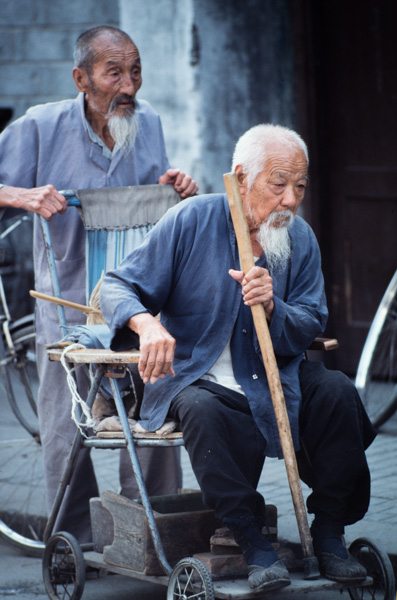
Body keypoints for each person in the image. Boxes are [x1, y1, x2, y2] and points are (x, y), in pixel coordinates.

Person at [99, 124, 376, 593]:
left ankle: (329, 533)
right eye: (279, 183)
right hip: (198, 376)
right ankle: (251, 542)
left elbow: (311, 319)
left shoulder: (300, 238)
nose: (291, 199)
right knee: (202, 411)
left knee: (337, 392)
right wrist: (147, 325)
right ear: (242, 177)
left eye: (301, 186)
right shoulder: (191, 220)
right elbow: (117, 284)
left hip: (275, 376)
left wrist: (274, 308)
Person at [0, 25, 198, 543]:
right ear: (81, 78)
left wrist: (175, 186)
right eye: (115, 73)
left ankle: (154, 532)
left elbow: (156, 200)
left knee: (153, 408)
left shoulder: (146, 120)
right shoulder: (40, 127)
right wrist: (23, 196)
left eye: (135, 71)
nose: (129, 85)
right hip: (67, 300)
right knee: (68, 422)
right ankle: (72, 539)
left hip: (138, 299)